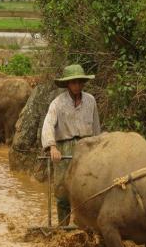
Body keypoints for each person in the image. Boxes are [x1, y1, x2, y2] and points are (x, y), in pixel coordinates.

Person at [41, 64, 101, 225]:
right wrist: (52, 146)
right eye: (73, 82)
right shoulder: (57, 103)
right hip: (64, 148)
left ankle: (85, 226)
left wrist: (99, 146)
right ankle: (63, 227)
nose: (77, 85)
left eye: (80, 82)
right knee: (63, 191)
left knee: (88, 187)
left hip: (86, 147)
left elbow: (96, 127)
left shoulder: (90, 101)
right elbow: (48, 125)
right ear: (67, 84)